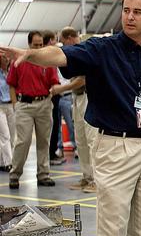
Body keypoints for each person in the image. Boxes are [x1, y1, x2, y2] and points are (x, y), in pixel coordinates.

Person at [0, 0, 141, 236]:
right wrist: (30, 54)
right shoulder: (102, 49)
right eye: (126, 10)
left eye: (137, 12)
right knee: (112, 231)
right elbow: (59, 54)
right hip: (115, 145)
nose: (130, 17)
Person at [6, 31, 59, 189]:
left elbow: (53, 82)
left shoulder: (47, 62)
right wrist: (15, 104)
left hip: (44, 103)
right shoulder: (20, 61)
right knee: (23, 141)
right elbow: (11, 84)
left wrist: (54, 92)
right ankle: (15, 174)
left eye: (40, 45)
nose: (38, 48)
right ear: (29, 44)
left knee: (44, 140)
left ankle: (43, 174)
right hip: (24, 105)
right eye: (35, 45)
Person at [59, 27, 97, 193]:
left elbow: (82, 80)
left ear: (69, 38)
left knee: (91, 140)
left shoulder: (85, 51)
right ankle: (86, 176)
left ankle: (96, 179)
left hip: (89, 98)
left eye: (63, 41)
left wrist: (60, 89)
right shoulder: (75, 53)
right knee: (80, 140)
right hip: (77, 98)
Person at [41, 30, 65, 166]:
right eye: (54, 40)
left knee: (54, 126)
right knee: (51, 127)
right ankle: (50, 154)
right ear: (50, 41)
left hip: (54, 94)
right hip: (50, 95)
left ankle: (51, 153)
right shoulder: (47, 56)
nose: (56, 42)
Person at [0, 55, 14, 172]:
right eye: (4, 58)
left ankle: (3, 161)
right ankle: (9, 162)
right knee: (5, 135)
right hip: (0, 107)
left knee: (13, 136)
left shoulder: (12, 71)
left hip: (11, 105)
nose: (6, 59)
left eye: (7, 58)